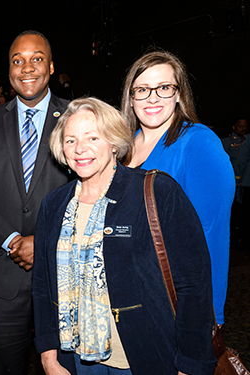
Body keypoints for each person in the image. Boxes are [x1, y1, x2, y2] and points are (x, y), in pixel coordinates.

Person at [33, 97, 216, 375]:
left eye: (92, 137)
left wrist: (190, 363)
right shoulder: (54, 205)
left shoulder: (157, 192)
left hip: (145, 355)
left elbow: (194, 285)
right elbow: (43, 286)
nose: (80, 149)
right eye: (70, 141)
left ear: (114, 142)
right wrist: (48, 356)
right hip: (76, 358)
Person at [0, 30, 69, 375]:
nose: (26, 68)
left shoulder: (77, 118)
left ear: (50, 67)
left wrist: (44, 242)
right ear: (9, 69)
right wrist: (13, 241)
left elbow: (90, 194)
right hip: (1, 276)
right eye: (17, 60)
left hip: (63, 274)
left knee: (68, 368)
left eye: (36, 59)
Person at [121, 50, 235, 325]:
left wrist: (208, 313)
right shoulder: (124, 146)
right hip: (130, 297)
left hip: (176, 303)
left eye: (164, 87)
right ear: (131, 97)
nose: (152, 98)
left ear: (179, 94)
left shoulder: (197, 142)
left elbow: (211, 233)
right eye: (143, 89)